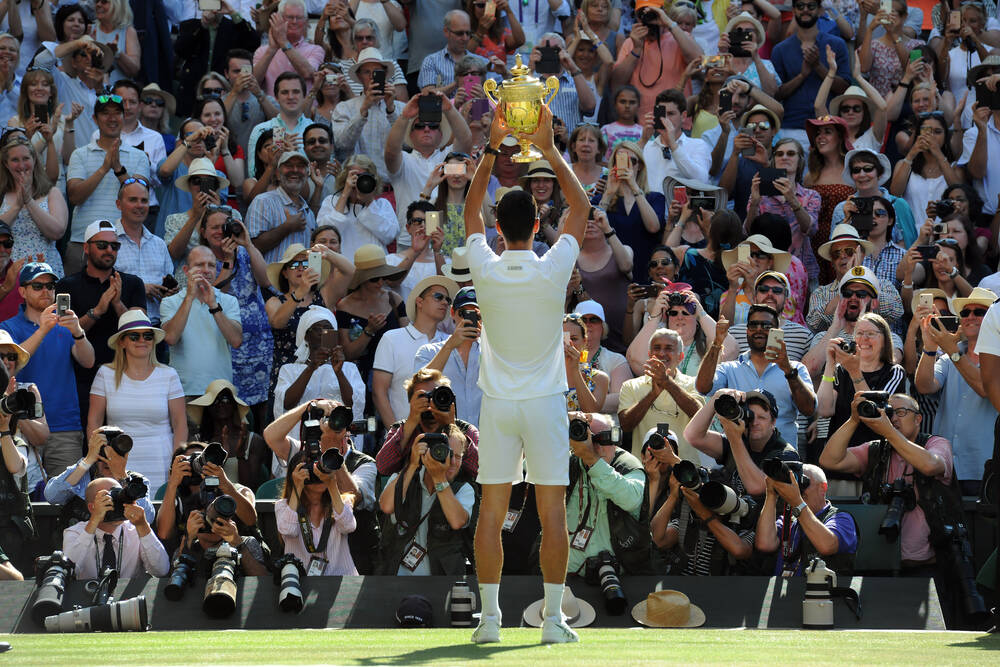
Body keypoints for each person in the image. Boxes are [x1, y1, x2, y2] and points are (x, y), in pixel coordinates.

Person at [464, 104, 590, 644]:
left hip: (497, 407)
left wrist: (494, 147)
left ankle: (490, 622)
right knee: (551, 512)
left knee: (491, 512)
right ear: (537, 224)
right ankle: (553, 622)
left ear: (499, 228)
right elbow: (581, 207)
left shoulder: (485, 269)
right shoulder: (554, 266)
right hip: (542, 405)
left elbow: (469, 213)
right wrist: (549, 147)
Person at [818, 393, 954, 585]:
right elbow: (829, 460)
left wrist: (889, 431)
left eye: (901, 412)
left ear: (918, 419)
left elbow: (931, 466)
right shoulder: (877, 450)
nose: (894, 418)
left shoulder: (936, 443)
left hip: (926, 566)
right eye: (890, 413)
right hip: (879, 563)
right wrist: (853, 419)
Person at [0, 262, 94, 477]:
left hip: (65, 426)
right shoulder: (7, 328)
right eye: (37, 286)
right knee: (25, 497)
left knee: (67, 502)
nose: (46, 291)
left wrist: (78, 332)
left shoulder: (66, 325)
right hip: (22, 427)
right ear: (22, 291)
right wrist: (43, 329)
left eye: (51, 285)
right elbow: (13, 361)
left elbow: (88, 361)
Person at [55, 218, 146, 422]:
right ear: (86, 248)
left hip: (126, 376)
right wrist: (97, 311)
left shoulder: (132, 283)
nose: (109, 250)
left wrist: (117, 303)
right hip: (82, 378)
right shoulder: (66, 286)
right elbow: (63, 335)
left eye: (114, 246)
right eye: (102, 245)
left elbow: (141, 332)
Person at [87, 312, 186, 491]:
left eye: (148, 336)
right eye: (134, 336)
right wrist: (101, 459)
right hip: (118, 461)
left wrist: (176, 465)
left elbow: (180, 425)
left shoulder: (169, 374)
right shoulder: (105, 374)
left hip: (161, 461)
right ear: (122, 342)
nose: (142, 340)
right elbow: (94, 423)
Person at [914, 287, 998, 496]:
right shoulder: (949, 356)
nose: (970, 317)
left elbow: (984, 389)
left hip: (983, 467)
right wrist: (930, 347)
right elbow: (924, 386)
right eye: (965, 312)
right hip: (946, 467)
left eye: (979, 312)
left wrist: (950, 350)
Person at [698, 303, 817, 449]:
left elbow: (809, 409)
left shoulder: (796, 369)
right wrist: (717, 343)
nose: (759, 329)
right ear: (747, 331)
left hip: (782, 458)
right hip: (738, 456)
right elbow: (703, 387)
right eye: (753, 325)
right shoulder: (730, 368)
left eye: (766, 326)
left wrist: (788, 371)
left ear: (777, 332)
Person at [65, 91, 151, 276]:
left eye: (117, 113)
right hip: (83, 242)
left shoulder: (139, 156)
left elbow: (139, 197)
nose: (112, 118)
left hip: (122, 243)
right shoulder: (79, 154)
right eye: (105, 113)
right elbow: (75, 197)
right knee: (74, 301)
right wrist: (104, 168)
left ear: (123, 116)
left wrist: (118, 168)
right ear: (95, 119)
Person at [377, 423, 477, 576]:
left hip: (440, 583)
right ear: (429, 453)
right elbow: (386, 506)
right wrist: (412, 465)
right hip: (396, 579)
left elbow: (457, 521)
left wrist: (439, 478)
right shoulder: (404, 478)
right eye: (448, 454)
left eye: (459, 457)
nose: (453, 462)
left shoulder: (463, 489)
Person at [685, 387, 800, 500]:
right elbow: (693, 436)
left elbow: (756, 488)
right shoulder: (737, 441)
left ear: (773, 422)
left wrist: (735, 439)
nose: (755, 422)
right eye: (750, 416)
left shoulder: (786, 455)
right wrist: (717, 397)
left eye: (762, 418)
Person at [372, 275, 457, 426]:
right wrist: (398, 438)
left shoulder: (452, 342)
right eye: (438, 297)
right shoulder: (391, 339)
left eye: (447, 300)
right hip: (405, 438)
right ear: (419, 302)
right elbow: (379, 393)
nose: (445, 302)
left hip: (447, 438)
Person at [161, 246, 243, 398]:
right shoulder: (170, 302)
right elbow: (171, 338)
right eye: (199, 265)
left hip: (221, 391)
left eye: (211, 265)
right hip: (183, 393)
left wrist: (213, 305)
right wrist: (189, 298)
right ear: (186, 271)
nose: (206, 270)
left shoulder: (229, 301)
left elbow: (236, 340)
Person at [384, 91, 473, 230]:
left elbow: (466, 140)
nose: (426, 129)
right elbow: (390, 151)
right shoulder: (404, 160)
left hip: (448, 234)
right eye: (419, 126)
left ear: (441, 133)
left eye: (433, 126)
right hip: (411, 237)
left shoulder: (450, 157)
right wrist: (404, 116)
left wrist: (449, 109)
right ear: (411, 134)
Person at [817, 311, 905, 447]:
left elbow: (877, 414)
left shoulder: (894, 372)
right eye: (859, 333)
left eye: (870, 333)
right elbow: (824, 410)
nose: (864, 338)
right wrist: (830, 364)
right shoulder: (841, 369)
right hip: (840, 453)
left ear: (885, 340)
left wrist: (854, 372)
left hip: (873, 452)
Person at [754, 463, 858, 575]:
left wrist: (797, 502)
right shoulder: (788, 521)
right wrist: (771, 494)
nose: (798, 490)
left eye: (804, 483)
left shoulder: (841, 518)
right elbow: (764, 544)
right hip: (784, 590)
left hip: (819, 590)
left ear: (823, 488)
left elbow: (826, 545)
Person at [618, 327, 704, 461]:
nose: (662, 353)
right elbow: (626, 425)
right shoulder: (630, 386)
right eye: (657, 348)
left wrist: (667, 383)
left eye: (669, 348)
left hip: (683, 468)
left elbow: (699, 417)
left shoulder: (694, 384)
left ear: (680, 357)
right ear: (649, 354)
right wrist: (652, 394)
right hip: (643, 468)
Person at [771, 0, 850, 143]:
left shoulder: (837, 44)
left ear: (820, 10)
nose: (805, 10)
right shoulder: (780, 50)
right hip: (791, 128)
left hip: (829, 126)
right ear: (794, 10)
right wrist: (802, 76)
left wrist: (818, 67)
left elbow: (844, 88)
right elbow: (776, 94)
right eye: (800, 6)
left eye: (811, 6)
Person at [61, 477, 169, 580]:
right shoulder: (75, 532)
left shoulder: (137, 531)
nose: (118, 504)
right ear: (91, 507)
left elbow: (161, 570)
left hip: (128, 598)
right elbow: (68, 570)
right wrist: (94, 520)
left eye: (120, 497)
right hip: (86, 596)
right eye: (109, 498)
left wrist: (143, 526)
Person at [610, 0, 701, 120]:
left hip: (675, 122)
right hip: (641, 122)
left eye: (654, 12)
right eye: (644, 14)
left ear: (664, 12)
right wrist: (636, 49)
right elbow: (616, 83)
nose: (650, 18)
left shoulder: (679, 38)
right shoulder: (630, 43)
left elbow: (699, 61)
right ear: (637, 17)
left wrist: (668, 23)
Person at [44, 426, 154, 524]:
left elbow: (148, 518)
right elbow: (51, 496)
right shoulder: (82, 476)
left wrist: (122, 477)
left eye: (115, 455)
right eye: (103, 455)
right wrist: (87, 461)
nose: (108, 460)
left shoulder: (137, 482)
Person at [808, 224, 904, 334]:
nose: (843, 256)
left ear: (862, 255)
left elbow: (897, 311)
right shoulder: (820, 292)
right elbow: (814, 324)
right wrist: (847, 286)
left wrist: (860, 281)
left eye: (849, 251)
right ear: (832, 262)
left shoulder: (883, 285)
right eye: (836, 253)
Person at [276, 448, 357, 575]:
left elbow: (348, 526)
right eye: (310, 469)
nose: (317, 474)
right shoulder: (283, 506)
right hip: (301, 583)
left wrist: (331, 484)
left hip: (341, 581)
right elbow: (288, 530)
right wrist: (297, 487)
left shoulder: (342, 502)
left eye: (319, 468)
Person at [274, 305, 366, 415]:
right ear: (306, 336)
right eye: (317, 329)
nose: (323, 332)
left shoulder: (349, 369)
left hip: (337, 430)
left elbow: (354, 405)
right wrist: (311, 368)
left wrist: (339, 372)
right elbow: (287, 404)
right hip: (302, 431)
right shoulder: (289, 370)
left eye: (328, 328)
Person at [174, 4, 262, 117]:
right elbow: (181, 50)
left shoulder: (234, 26)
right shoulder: (191, 25)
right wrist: (203, 24)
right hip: (193, 92)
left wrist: (232, 12)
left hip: (224, 91)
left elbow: (254, 43)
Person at [336, 244, 408, 380]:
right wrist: (369, 331)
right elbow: (348, 354)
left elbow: (407, 340)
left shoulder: (394, 299)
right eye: (374, 278)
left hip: (394, 373)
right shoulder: (344, 306)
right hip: (360, 377)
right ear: (362, 279)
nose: (380, 283)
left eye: (384, 277)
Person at [112, 177, 177, 328]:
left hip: (156, 327)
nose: (139, 205)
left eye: (144, 200)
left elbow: (169, 288)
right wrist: (140, 288)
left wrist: (169, 293)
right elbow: (99, 285)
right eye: (133, 200)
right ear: (118, 204)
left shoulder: (159, 244)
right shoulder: (108, 241)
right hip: (118, 325)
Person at [0, 136, 68, 277]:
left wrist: (29, 202)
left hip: (46, 273)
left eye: (26, 158)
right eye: (15, 160)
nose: (21, 165)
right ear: (6, 164)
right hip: (8, 275)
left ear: (34, 160)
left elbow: (57, 232)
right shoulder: (2, 194)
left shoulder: (52, 192)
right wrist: (17, 207)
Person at [416, 286, 483, 427]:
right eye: (464, 313)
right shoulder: (429, 351)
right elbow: (419, 390)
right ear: (452, 312)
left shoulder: (492, 353)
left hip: (486, 439)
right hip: (445, 439)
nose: (470, 320)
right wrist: (450, 346)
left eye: (477, 315)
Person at [331, 48, 399, 183]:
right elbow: (342, 144)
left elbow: (407, 146)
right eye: (367, 72)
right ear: (359, 76)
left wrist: (391, 110)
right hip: (358, 186)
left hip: (393, 187)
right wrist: (364, 110)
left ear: (385, 74)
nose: (372, 76)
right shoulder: (344, 108)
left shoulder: (400, 108)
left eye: (376, 72)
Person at [187, 380, 268, 492]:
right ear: (208, 407)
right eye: (215, 401)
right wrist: (220, 460)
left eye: (225, 399)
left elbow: (250, 487)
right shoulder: (198, 440)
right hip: (206, 502)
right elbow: (194, 484)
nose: (220, 404)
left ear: (234, 405)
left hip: (241, 502)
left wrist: (240, 454)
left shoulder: (253, 440)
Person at [316, 153, 397, 262]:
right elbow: (325, 235)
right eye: (355, 176)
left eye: (364, 177)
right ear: (345, 177)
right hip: (342, 268)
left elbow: (389, 235)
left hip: (374, 269)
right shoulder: (331, 201)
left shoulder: (382, 204)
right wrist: (345, 193)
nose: (360, 181)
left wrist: (369, 201)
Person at [247, 151, 317, 264]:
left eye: (300, 166)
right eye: (289, 166)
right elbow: (253, 246)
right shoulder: (263, 202)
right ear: (278, 174)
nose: (295, 170)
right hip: (269, 281)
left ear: (307, 173)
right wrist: (286, 227)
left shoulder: (309, 213)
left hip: (301, 280)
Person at [641, 89, 711, 192]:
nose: (665, 119)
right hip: (646, 206)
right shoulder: (645, 146)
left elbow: (701, 180)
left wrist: (673, 145)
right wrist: (643, 141)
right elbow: (623, 171)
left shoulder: (698, 145)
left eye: (670, 113)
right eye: (662, 114)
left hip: (678, 207)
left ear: (683, 116)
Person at [246, 72, 313, 179]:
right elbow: (253, 173)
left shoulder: (314, 129)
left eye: (296, 92)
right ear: (276, 97)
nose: (290, 97)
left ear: (304, 96)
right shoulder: (261, 130)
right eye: (285, 92)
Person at [253, 0, 324, 97]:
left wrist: (283, 42)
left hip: (305, 110)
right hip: (271, 110)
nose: (294, 22)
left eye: (299, 18)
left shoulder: (315, 50)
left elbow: (308, 73)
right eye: (290, 17)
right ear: (278, 19)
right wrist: (271, 51)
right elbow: (254, 82)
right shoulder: (263, 51)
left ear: (305, 22)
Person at [222, 48, 279, 153]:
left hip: (259, 161)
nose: (241, 75)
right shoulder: (219, 102)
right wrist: (234, 92)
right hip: (231, 160)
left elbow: (280, 124)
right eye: (236, 71)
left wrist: (259, 95)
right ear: (226, 74)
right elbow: (217, 121)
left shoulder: (266, 99)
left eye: (245, 71)